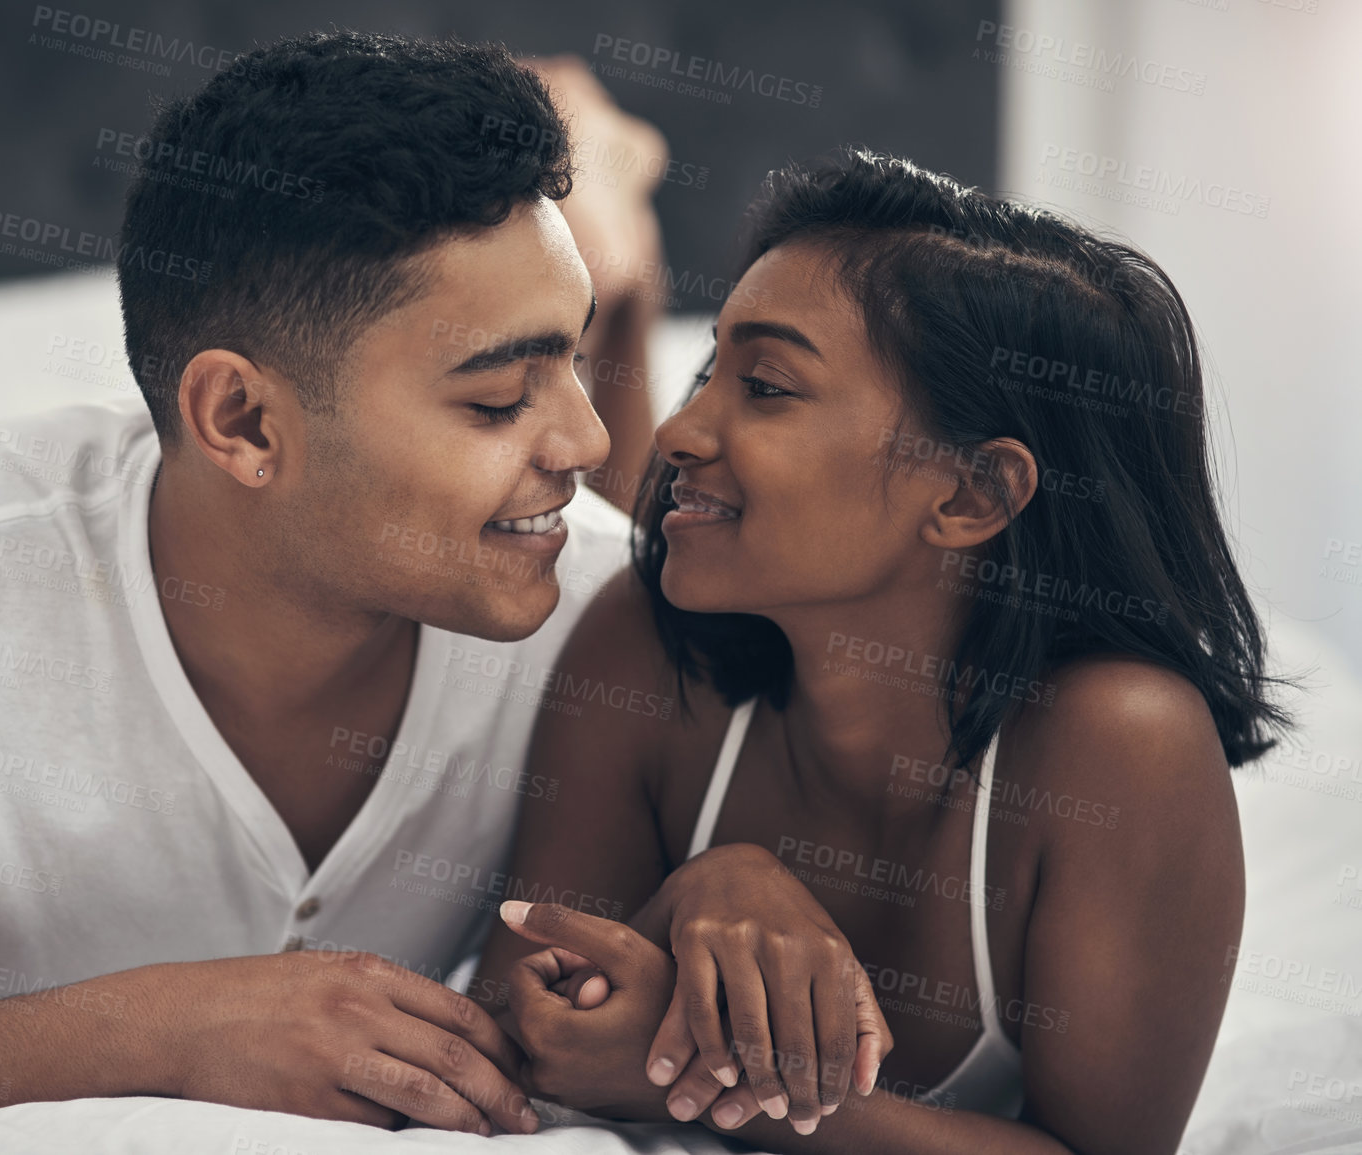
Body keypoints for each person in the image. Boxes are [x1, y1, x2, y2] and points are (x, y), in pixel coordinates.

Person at [0, 31, 713, 1136]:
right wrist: (166, 1030)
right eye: (495, 401)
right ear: (243, 421)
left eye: (576, 363)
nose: (580, 441)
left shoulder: (596, 617)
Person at [474, 149, 1287, 1153]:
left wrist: (738, 1091)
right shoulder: (648, 650)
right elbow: (522, 1014)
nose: (679, 430)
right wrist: (706, 886)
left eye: (765, 386)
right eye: (706, 370)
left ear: (971, 494)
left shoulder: (1122, 744)